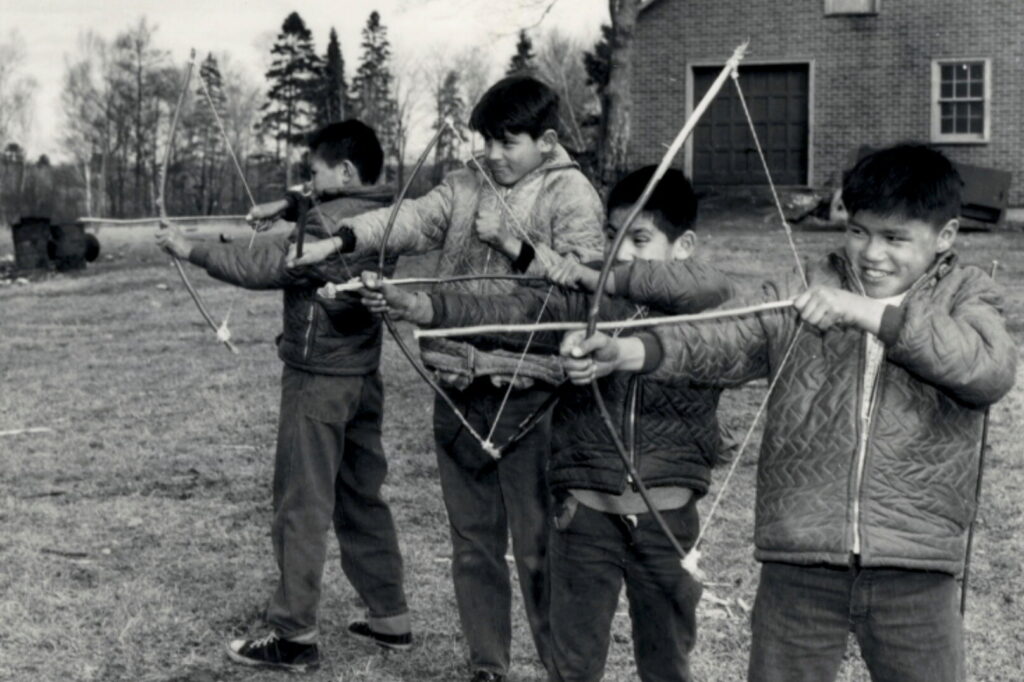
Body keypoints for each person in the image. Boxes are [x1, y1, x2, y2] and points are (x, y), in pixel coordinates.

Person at [560, 143, 1017, 682]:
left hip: (917, 567)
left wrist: (875, 316)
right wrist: (627, 351)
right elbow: (723, 340)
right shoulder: (806, 288)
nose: (872, 253)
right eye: (859, 231)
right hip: (799, 560)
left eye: (895, 238)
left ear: (945, 237)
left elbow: (987, 369)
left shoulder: (968, 295)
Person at [289, 76, 605, 682]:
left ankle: (562, 668)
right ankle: (488, 665)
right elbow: (408, 219)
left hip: (532, 391)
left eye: (507, 142)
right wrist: (342, 238)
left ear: (546, 140)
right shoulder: (465, 185)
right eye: (486, 140)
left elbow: (582, 293)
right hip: (458, 386)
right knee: (473, 542)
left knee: (540, 548)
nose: (492, 153)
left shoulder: (573, 196)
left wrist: (516, 248)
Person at [359, 166, 730, 682]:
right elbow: (510, 309)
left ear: (684, 245)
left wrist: (616, 326)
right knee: (572, 664)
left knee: (667, 662)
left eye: (639, 239)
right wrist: (422, 305)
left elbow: (709, 295)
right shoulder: (584, 301)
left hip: (667, 522)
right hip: (585, 519)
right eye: (612, 236)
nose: (620, 252)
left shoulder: (707, 308)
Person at [156, 120, 411, 674]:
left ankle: (293, 634)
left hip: (318, 379)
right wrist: (290, 205)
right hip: (362, 377)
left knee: (301, 502)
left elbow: (263, 265)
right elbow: (328, 209)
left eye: (313, 170)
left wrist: (188, 248)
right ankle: (390, 617)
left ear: (342, 171)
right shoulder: (381, 214)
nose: (307, 179)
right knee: (361, 495)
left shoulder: (323, 221)